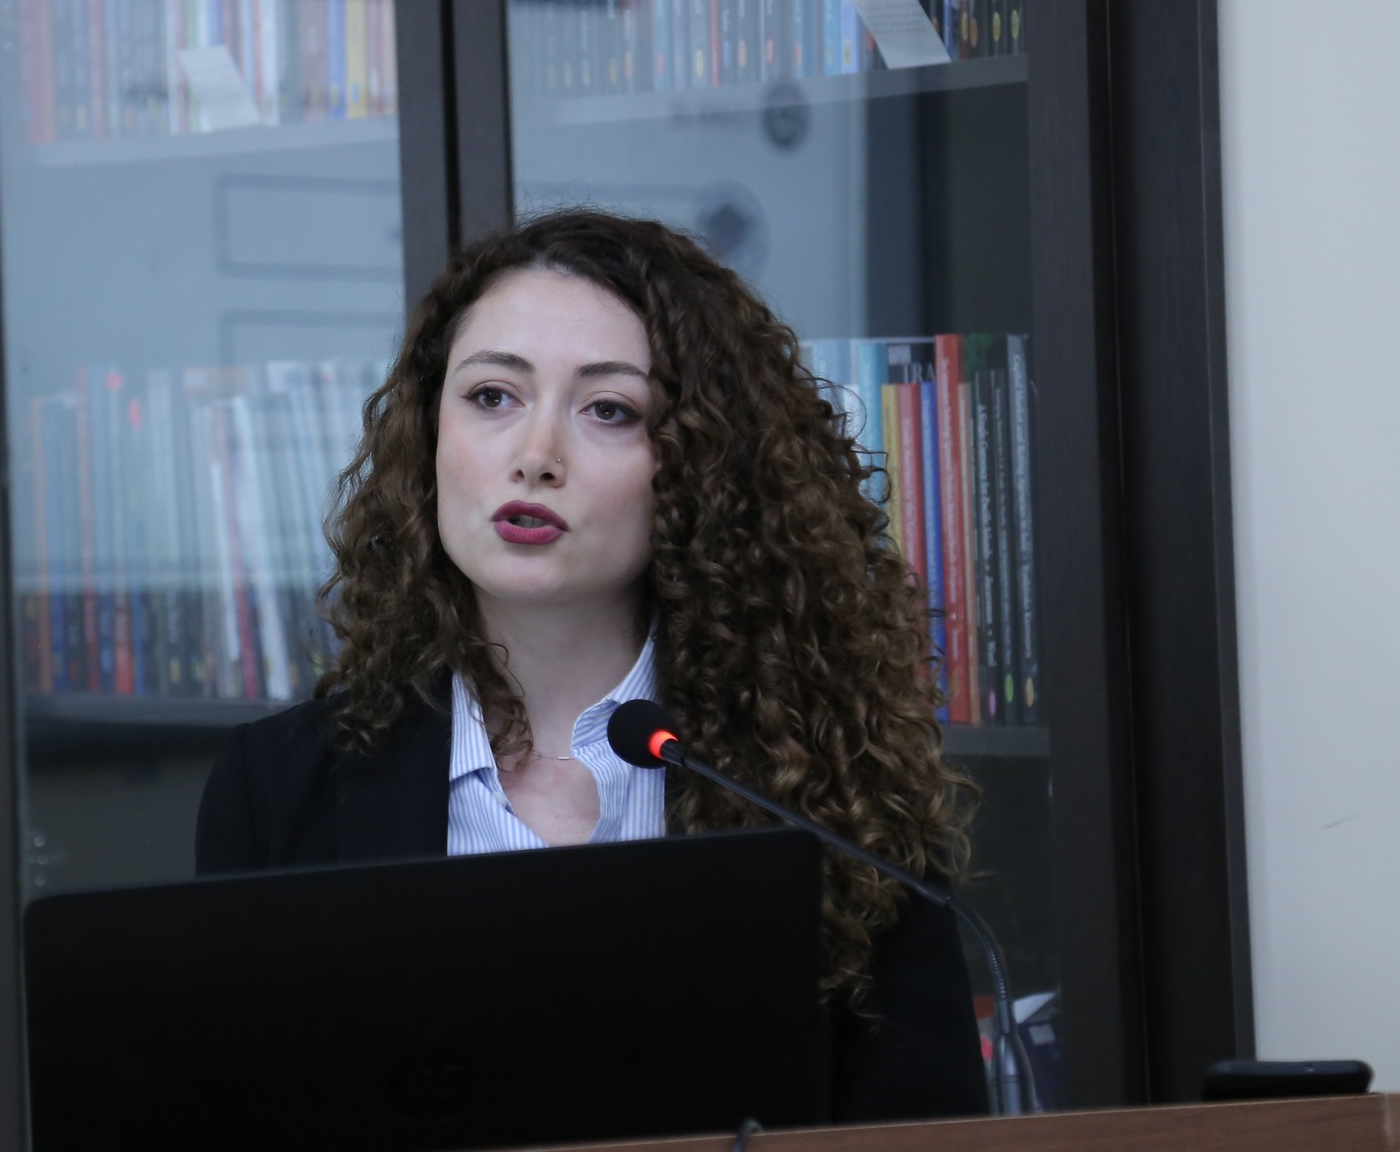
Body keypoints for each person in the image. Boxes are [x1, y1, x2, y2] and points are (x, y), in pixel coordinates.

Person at [196, 208, 987, 1122]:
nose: (536, 457)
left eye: (609, 409)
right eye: (493, 396)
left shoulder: (834, 793)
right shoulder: (276, 787)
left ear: (699, 469)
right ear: (428, 433)